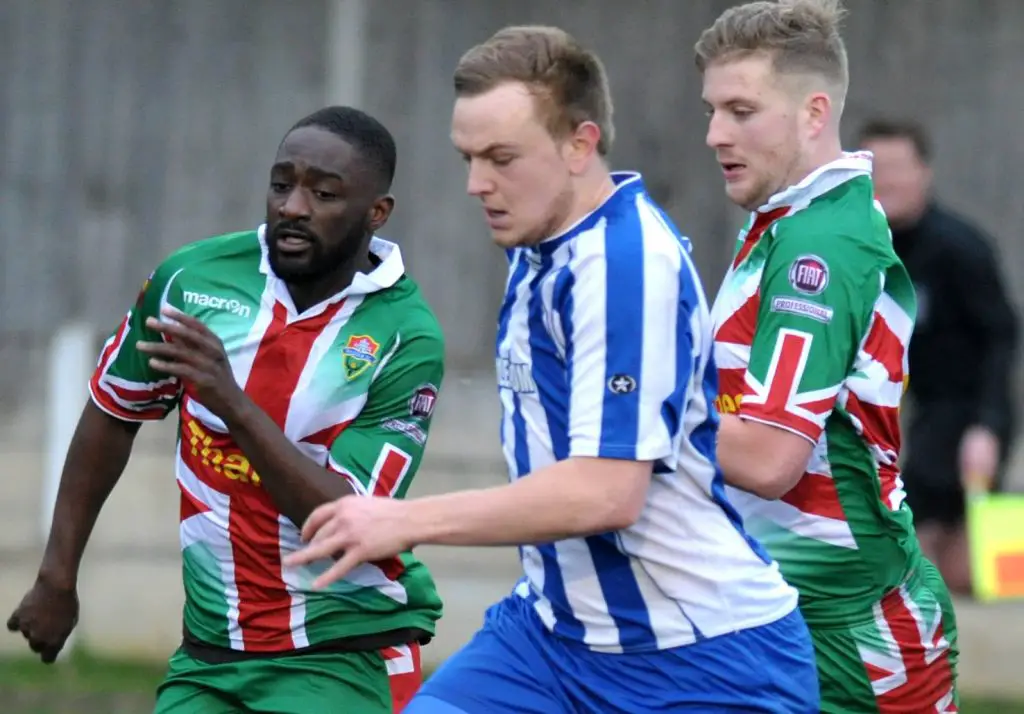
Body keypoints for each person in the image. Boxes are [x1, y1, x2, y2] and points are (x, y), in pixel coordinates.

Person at [286, 25, 819, 714]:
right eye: (469, 158)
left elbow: (606, 494)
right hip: (549, 640)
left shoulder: (623, 266)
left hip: (703, 665)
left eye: (502, 157)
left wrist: (404, 519)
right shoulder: (545, 243)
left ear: (579, 144)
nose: (478, 184)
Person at [7, 106, 445, 714]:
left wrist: (231, 404)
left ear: (376, 213)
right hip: (212, 654)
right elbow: (113, 411)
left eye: (322, 193)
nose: (293, 206)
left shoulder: (405, 336)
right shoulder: (192, 280)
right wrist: (58, 574)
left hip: (341, 649)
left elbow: (347, 519)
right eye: (280, 183)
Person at [697, 1, 959, 711]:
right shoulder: (788, 220)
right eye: (713, 110)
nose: (716, 133)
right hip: (786, 606)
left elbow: (768, 459)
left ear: (814, 113)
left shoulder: (818, 248)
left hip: (853, 627)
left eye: (741, 111)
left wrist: (625, 415)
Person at [859, 118, 1019, 596]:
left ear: (924, 172)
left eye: (897, 168)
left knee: (943, 554)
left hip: (964, 414)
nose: (886, 183)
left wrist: (988, 426)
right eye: (875, 171)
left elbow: (1001, 338)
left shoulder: (960, 249)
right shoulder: (864, 252)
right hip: (909, 413)